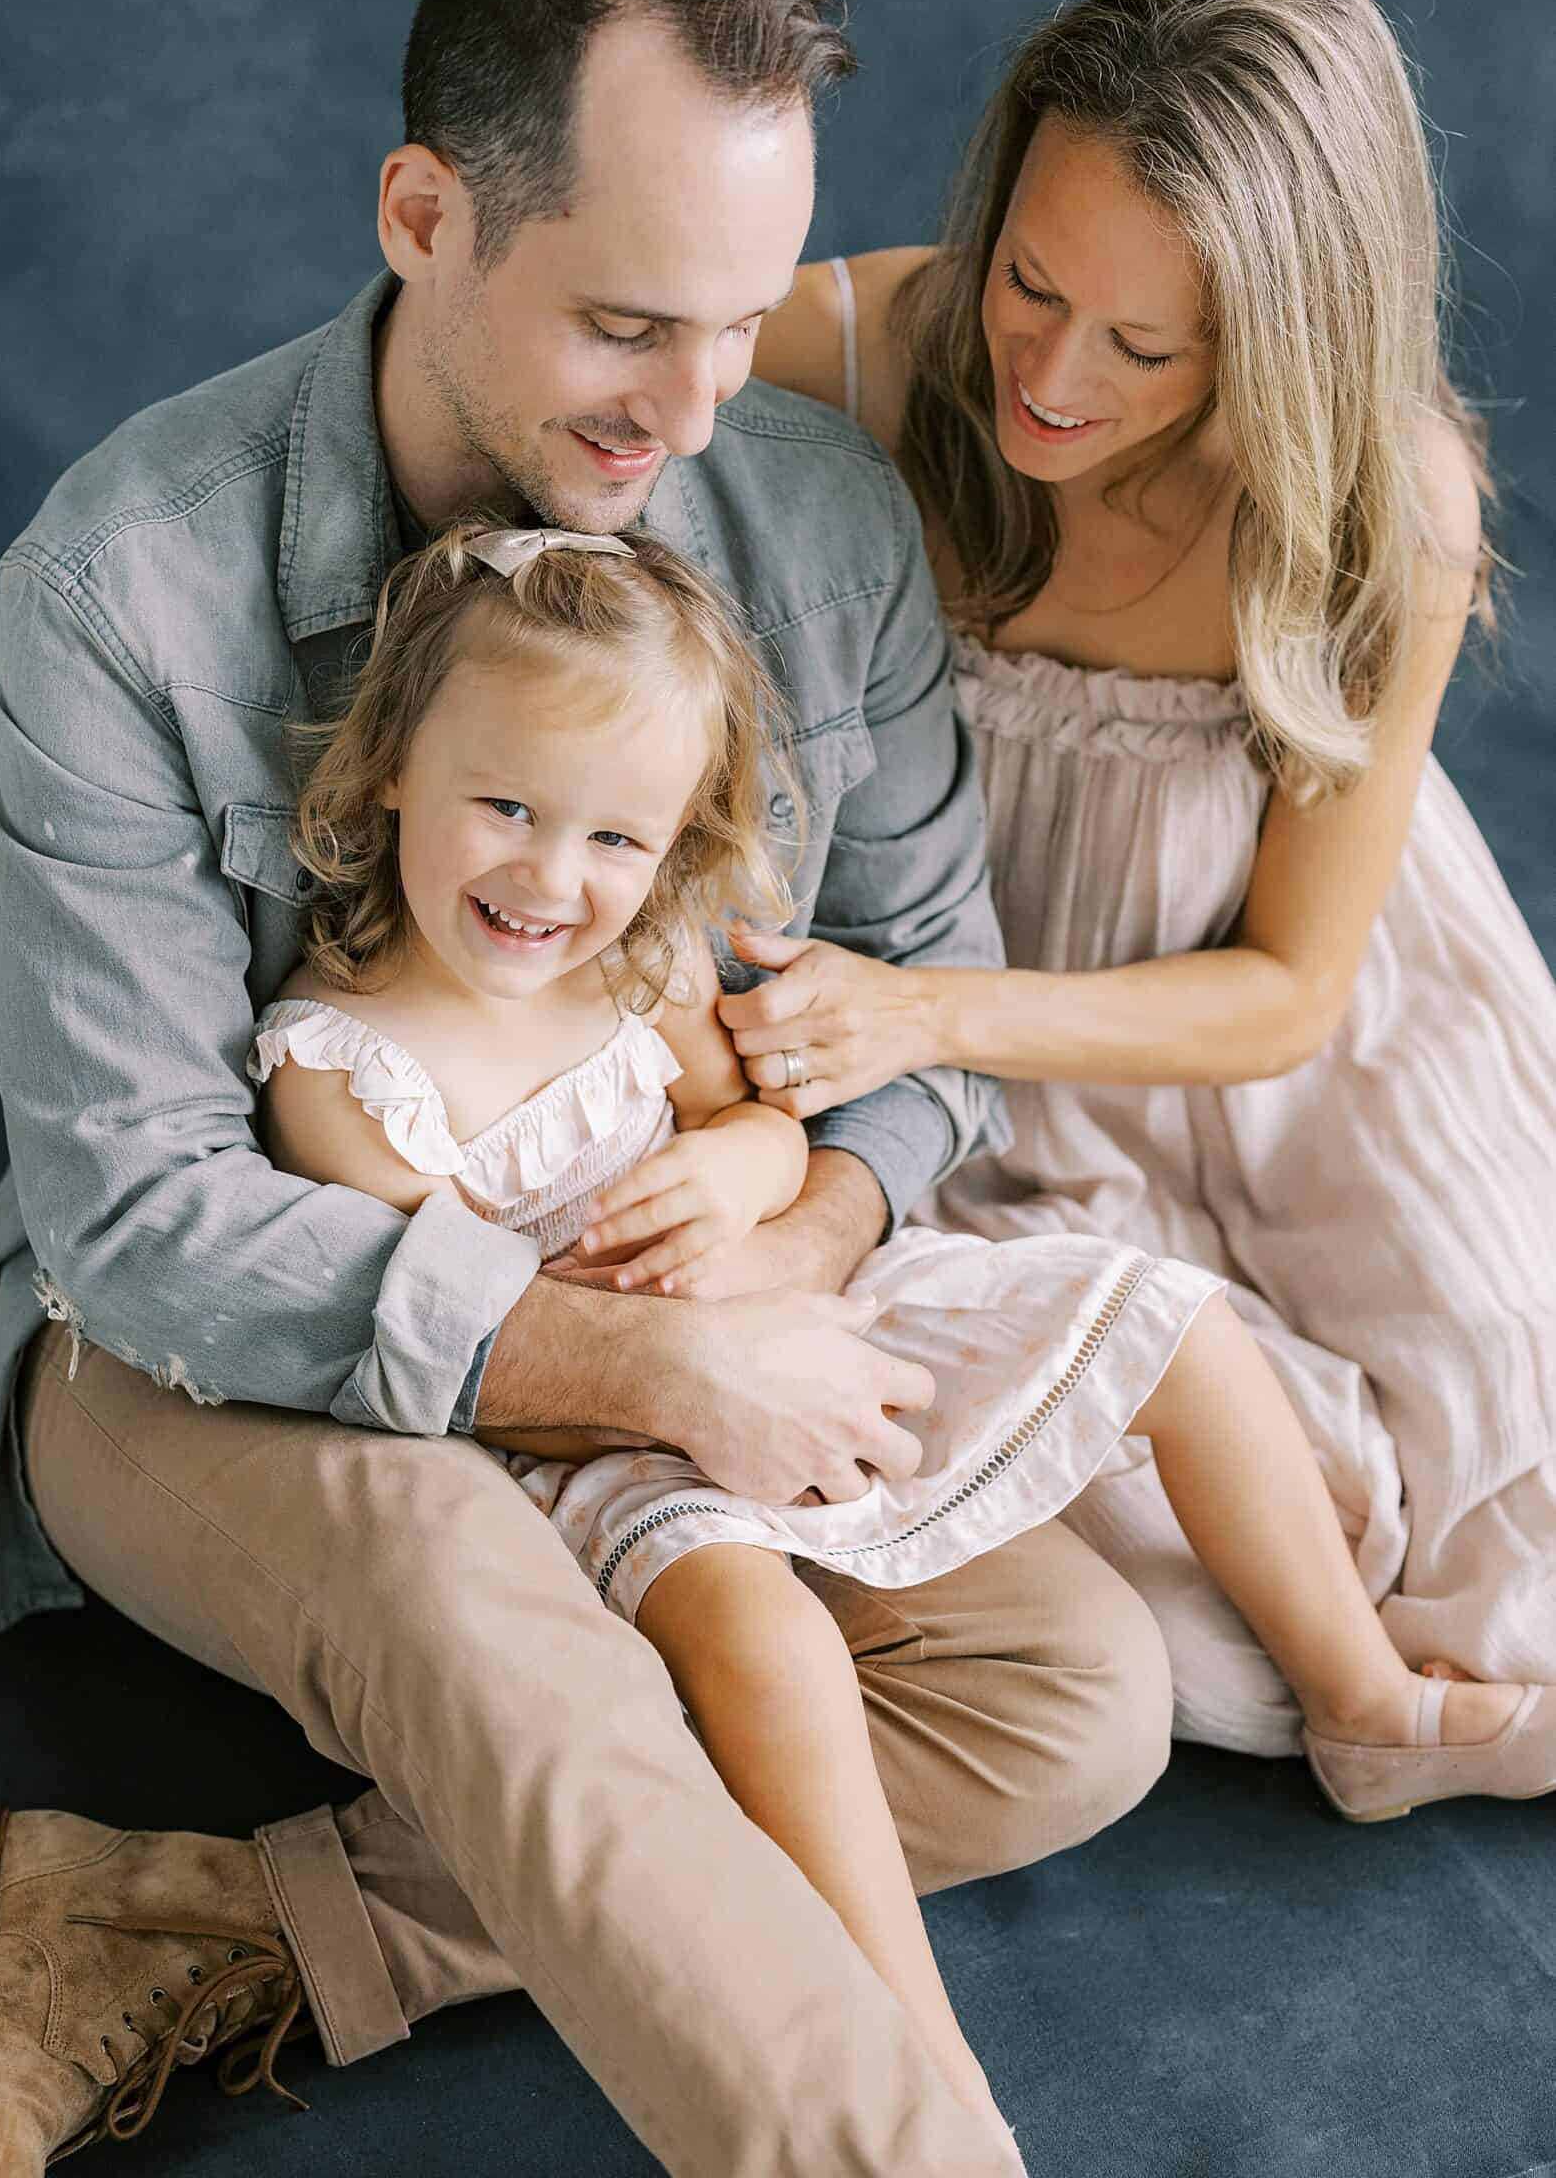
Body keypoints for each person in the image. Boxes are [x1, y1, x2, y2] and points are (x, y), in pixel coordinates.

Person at [0, 0, 1176, 2178]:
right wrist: (639, 1367)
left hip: (682, 1290)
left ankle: (192, 1920)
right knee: (484, 1603)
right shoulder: (119, 582)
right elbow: (140, 1211)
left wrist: (808, 1215)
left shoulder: (812, 513)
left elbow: (929, 999)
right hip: (207, 1343)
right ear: (424, 212)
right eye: (625, 326)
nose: (692, 411)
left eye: (745, 323)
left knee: (1073, 1695)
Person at [252, 505, 1556, 2135]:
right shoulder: (341, 1071)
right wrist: (677, 1376)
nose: (547, 877)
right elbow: (443, 1343)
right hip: (598, 1432)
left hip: (805, 1307)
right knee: (767, 1644)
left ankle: (1361, 1700)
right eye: (502, 805)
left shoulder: (639, 970)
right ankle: (925, 2073)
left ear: (667, 849)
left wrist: (738, 1180)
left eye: (612, 841)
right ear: (391, 772)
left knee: (1177, 1324)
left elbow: (762, 1125)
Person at [740, 0, 1556, 1767]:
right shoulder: (847, 348)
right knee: (1157, 1598)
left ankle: (1398, 1700)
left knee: (1508, 1435)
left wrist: (930, 1013)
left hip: (1261, 1040)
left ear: (1281, 340)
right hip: (936, 1049)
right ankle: (1365, 1702)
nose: (1045, 372)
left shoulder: (1382, 507)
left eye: (1144, 346)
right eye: (1030, 280)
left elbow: (1287, 990)